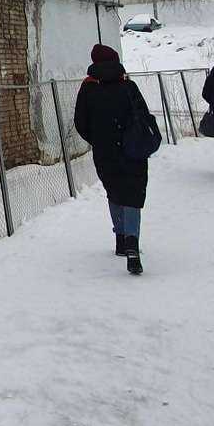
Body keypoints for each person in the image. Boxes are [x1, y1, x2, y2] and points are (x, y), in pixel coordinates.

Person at [74, 44, 153, 275]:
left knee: (115, 191)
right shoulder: (128, 86)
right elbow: (143, 115)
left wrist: (98, 139)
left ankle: (120, 238)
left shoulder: (88, 89)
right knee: (133, 195)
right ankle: (132, 244)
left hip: (105, 152)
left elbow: (80, 122)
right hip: (132, 149)